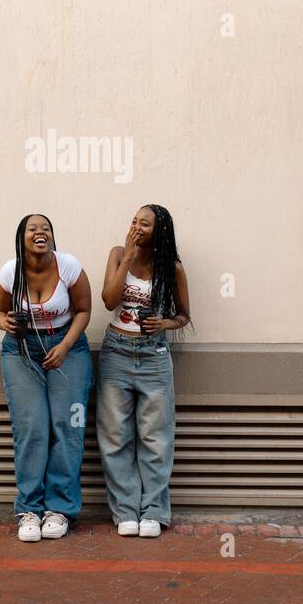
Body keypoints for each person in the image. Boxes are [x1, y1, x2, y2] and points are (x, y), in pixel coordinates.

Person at [0, 214, 93, 542]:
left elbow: (84, 310)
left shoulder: (68, 266)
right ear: (21, 238)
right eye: (33, 229)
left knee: (68, 426)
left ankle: (59, 510)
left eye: (46, 228)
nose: (41, 233)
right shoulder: (10, 272)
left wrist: (64, 346)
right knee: (32, 428)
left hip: (68, 348)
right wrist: (4, 323)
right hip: (21, 351)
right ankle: (29, 510)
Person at [96, 205, 190, 538]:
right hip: (116, 352)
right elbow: (108, 300)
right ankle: (125, 511)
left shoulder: (172, 268)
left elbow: (183, 316)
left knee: (156, 438)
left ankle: (153, 511)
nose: (137, 227)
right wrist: (127, 256)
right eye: (134, 221)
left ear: (159, 231)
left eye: (144, 224)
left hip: (154, 355)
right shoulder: (119, 253)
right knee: (115, 437)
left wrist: (164, 322)